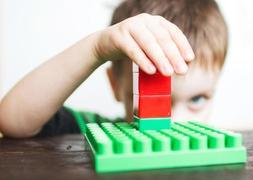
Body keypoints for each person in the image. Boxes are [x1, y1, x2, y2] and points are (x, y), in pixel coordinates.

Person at [0, 0, 228, 138]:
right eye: (155, 102)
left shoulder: (212, 149)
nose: (174, 123)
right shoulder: (94, 131)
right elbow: (11, 121)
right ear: (116, 85)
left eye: (197, 99)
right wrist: (96, 49)